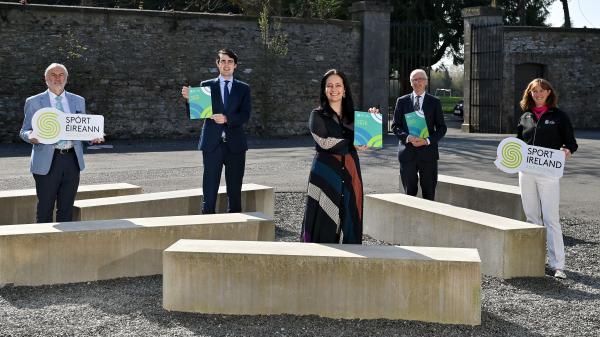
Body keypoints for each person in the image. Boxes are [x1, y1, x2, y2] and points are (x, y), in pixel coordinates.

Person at [19, 63, 103, 223]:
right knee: (45, 208)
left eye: (61, 74)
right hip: (46, 161)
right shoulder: (34, 102)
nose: (57, 78)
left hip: (72, 160)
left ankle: (64, 244)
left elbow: (81, 128)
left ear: (66, 78)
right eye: (53, 74)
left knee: (66, 208)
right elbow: (24, 130)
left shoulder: (78, 100)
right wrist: (30, 136)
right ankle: (42, 244)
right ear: (46, 78)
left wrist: (93, 136)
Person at [517, 78, 578, 280]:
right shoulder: (525, 116)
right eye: (535, 91)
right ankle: (534, 261)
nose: (539, 94)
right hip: (526, 172)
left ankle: (557, 264)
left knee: (551, 219)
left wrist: (566, 151)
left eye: (542, 91)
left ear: (549, 93)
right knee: (532, 217)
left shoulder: (559, 116)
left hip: (549, 174)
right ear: (530, 93)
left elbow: (571, 143)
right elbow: (518, 145)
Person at [301, 69, 370, 244]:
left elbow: (366, 140)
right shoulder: (316, 115)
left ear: (345, 89)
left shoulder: (355, 116)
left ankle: (351, 259)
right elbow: (324, 142)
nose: (334, 89)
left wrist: (372, 121)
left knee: (351, 213)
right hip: (325, 172)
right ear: (324, 89)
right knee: (322, 218)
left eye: (338, 85)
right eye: (329, 85)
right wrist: (351, 143)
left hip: (351, 170)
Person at [181, 49, 251, 214]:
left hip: (236, 144)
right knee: (210, 185)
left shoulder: (243, 88)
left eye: (230, 62)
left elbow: (245, 115)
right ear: (217, 64)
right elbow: (198, 113)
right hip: (212, 143)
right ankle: (208, 219)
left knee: (235, 187)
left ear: (235, 65)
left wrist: (227, 119)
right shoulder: (206, 85)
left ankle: (234, 220)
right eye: (223, 61)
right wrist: (190, 101)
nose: (226, 65)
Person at [391, 69, 446, 200]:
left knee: (429, 194)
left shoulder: (434, 102)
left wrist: (427, 140)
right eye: (414, 80)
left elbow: (442, 128)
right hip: (407, 153)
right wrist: (408, 138)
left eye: (420, 79)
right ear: (410, 83)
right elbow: (395, 126)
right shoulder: (402, 101)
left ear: (426, 82)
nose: (417, 82)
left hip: (428, 154)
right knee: (409, 195)